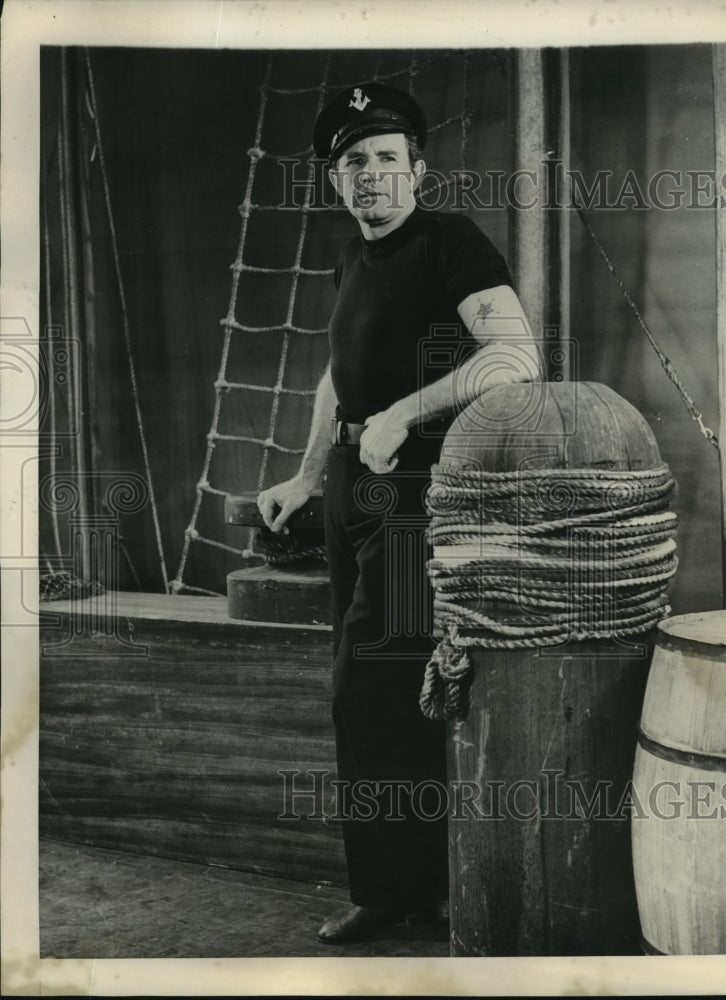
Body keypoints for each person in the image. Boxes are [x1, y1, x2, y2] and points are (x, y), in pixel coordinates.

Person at [257, 82, 540, 944]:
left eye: (385, 159)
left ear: (416, 169)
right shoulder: (351, 259)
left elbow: (516, 358)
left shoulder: (449, 241)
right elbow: (335, 376)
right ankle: (399, 890)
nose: (370, 176)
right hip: (349, 490)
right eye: (353, 163)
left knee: (376, 688)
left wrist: (403, 415)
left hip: (416, 497)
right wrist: (305, 478)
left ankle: (417, 891)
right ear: (335, 182)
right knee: (367, 695)